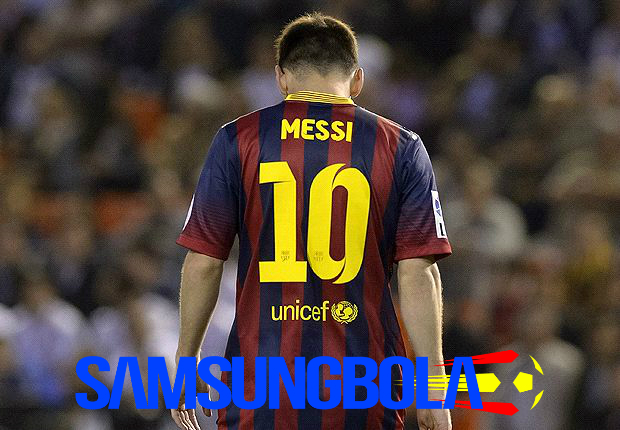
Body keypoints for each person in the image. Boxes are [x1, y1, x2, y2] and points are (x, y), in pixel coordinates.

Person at [172, 12, 452, 430]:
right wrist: (432, 388)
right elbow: (418, 273)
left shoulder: (237, 139)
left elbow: (205, 261)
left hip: (261, 383)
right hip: (363, 383)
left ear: (281, 79)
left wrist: (187, 359)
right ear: (357, 80)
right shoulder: (401, 147)